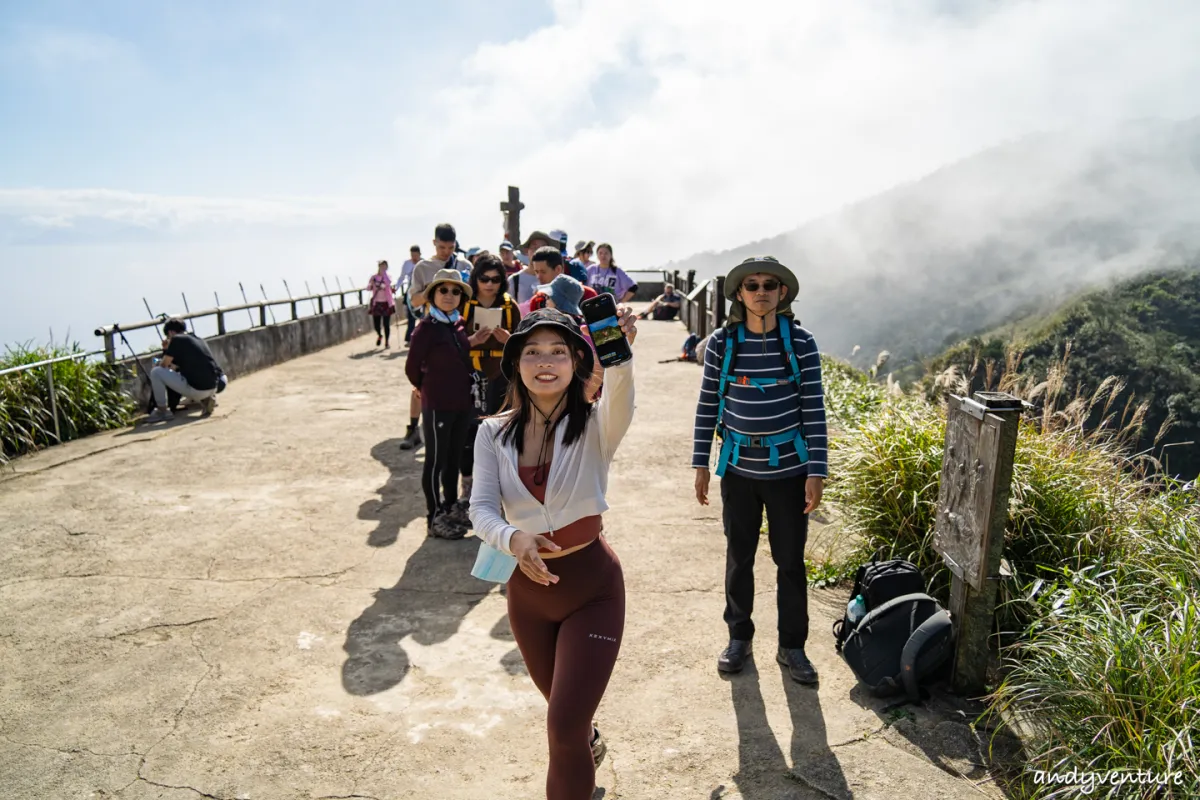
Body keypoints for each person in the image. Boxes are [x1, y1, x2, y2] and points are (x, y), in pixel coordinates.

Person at [470, 306, 638, 800]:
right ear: (516, 362)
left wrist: (618, 352)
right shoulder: (491, 433)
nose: (546, 361)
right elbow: (480, 509)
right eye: (534, 351)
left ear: (575, 363)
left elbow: (622, 391)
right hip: (527, 596)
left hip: (593, 591)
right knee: (569, 723)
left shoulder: (595, 427)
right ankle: (588, 740)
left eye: (559, 352)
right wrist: (512, 538)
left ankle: (579, 743)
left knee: (561, 729)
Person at [691, 256, 829, 685]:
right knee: (739, 557)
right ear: (739, 294)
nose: (761, 291)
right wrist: (700, 463)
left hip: (790, 470)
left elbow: (813, 408)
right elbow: (708, 404)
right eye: (751, 285)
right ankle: (738, 637)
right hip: (738, 469)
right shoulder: (722, 343)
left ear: (782, 292)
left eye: (770, 284)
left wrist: (817, 470)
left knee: (790, 562)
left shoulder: (801, 343)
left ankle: (793, 648)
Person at [405, 268, 475, 539]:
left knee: (453, 458)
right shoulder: (426, 328)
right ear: (432, 294)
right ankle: (434, 517)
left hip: (461, 403)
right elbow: (412, 367)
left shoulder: (455, 324)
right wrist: (423, 387)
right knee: (435, 461)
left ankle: (449, 509)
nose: (449, 295)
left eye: (456, 291)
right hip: (438, 404)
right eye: (443, 290)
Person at [461, 253, 522, 506]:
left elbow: (525, 344)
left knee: (500, 432)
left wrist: (510, 339)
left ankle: (500, 490)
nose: (489, 284)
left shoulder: (510, 307)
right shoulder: (462, 305)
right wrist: (471, 341)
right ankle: (467, 487)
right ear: (475, 278)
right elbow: (448, 343)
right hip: (469, 377)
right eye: (484, 278)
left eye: (495, 279)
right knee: (468, 433)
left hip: (501, 378)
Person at [401, 223, 468, 451]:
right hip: (432, 329)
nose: (446, 252)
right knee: (423, 380)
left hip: (459, 329)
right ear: (434, 243)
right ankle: (413, 428)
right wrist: (432, 291)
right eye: (442, 247)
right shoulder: (423, 268)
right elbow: (414, 302)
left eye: (450, 248)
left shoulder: (464, 265)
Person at [147, 318, 223, 422]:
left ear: (170, 332)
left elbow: (164, 365)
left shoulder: (177, 339)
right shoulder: (198, 339)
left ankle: (162, 411)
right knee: (191, 376)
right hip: (214, 386)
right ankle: (206, 399)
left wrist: (166, 349)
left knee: (156, 372)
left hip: (197, 390)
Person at [396, 245, 422, 345]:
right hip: (410, 292)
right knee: (411, 317)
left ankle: (421, 336)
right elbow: (402, 277)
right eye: (412, 255)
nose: (414, 257)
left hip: (421, 291)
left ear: (419, 254)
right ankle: (409, 338)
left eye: (416, 255)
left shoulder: (424, 263)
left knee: (422, 316)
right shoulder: (406, 264)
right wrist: (396, 288)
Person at [367, 260, 396, 348]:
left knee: (386, 324)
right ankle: (379, 335)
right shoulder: (374, 277)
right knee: (376, 324)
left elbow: (389, 283)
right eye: (381, 266)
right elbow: (368, 288)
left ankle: (387, 342)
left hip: (386, 303)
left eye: (384, 266)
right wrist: (371, 285)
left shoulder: (388, 277)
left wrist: (384, 274)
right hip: (376, 303)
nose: (383, 268)